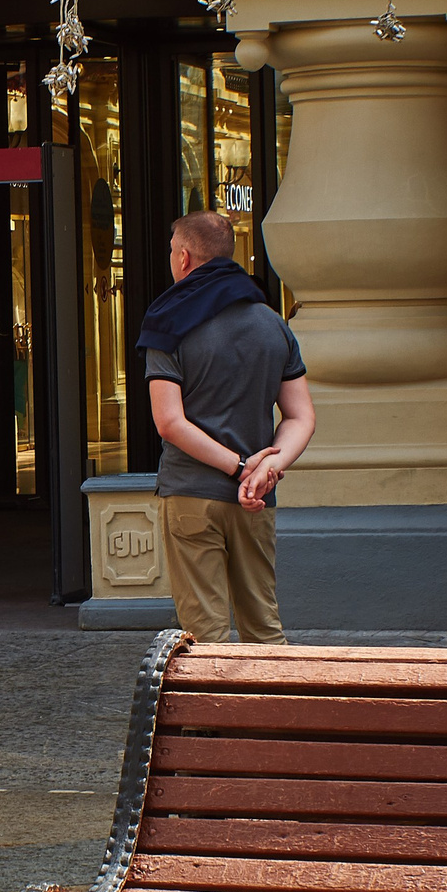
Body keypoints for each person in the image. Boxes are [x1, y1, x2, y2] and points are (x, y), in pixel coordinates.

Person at [139, 211, 313, 643]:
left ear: (183, 257)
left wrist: (238, 469)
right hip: (256, 499)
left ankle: (213, 711)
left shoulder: (168, 323)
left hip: (191, 493)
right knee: (264, 627)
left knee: (205, 633)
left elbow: (169, 422)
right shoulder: (272, 323)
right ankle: (273, 710)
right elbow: (300, 416)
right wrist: (264, 471)